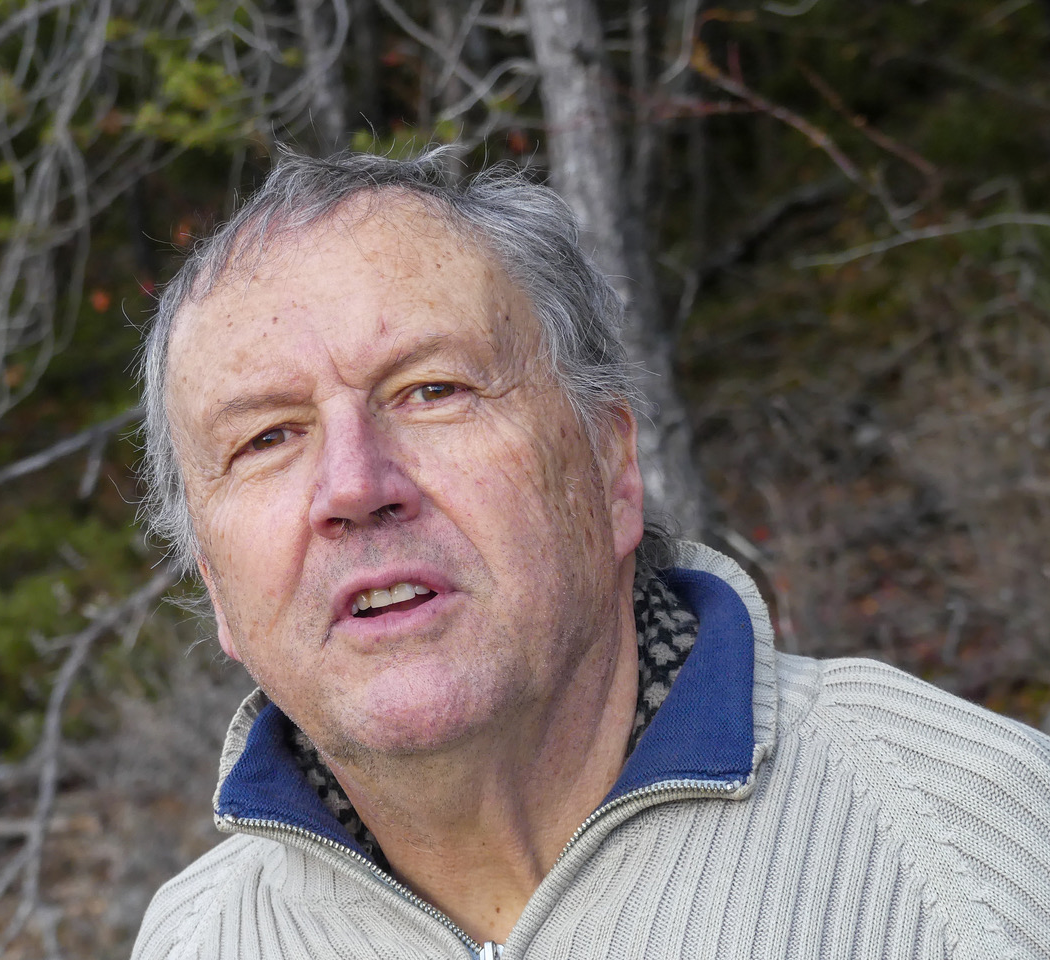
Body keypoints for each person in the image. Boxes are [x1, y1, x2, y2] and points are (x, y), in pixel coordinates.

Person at [130, 150, 1050, 960]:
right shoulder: (193, 939)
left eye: (431, 390)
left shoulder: (976, 847)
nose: (355, 486)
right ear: (216, 582)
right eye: (266, 439)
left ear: (610, 466)